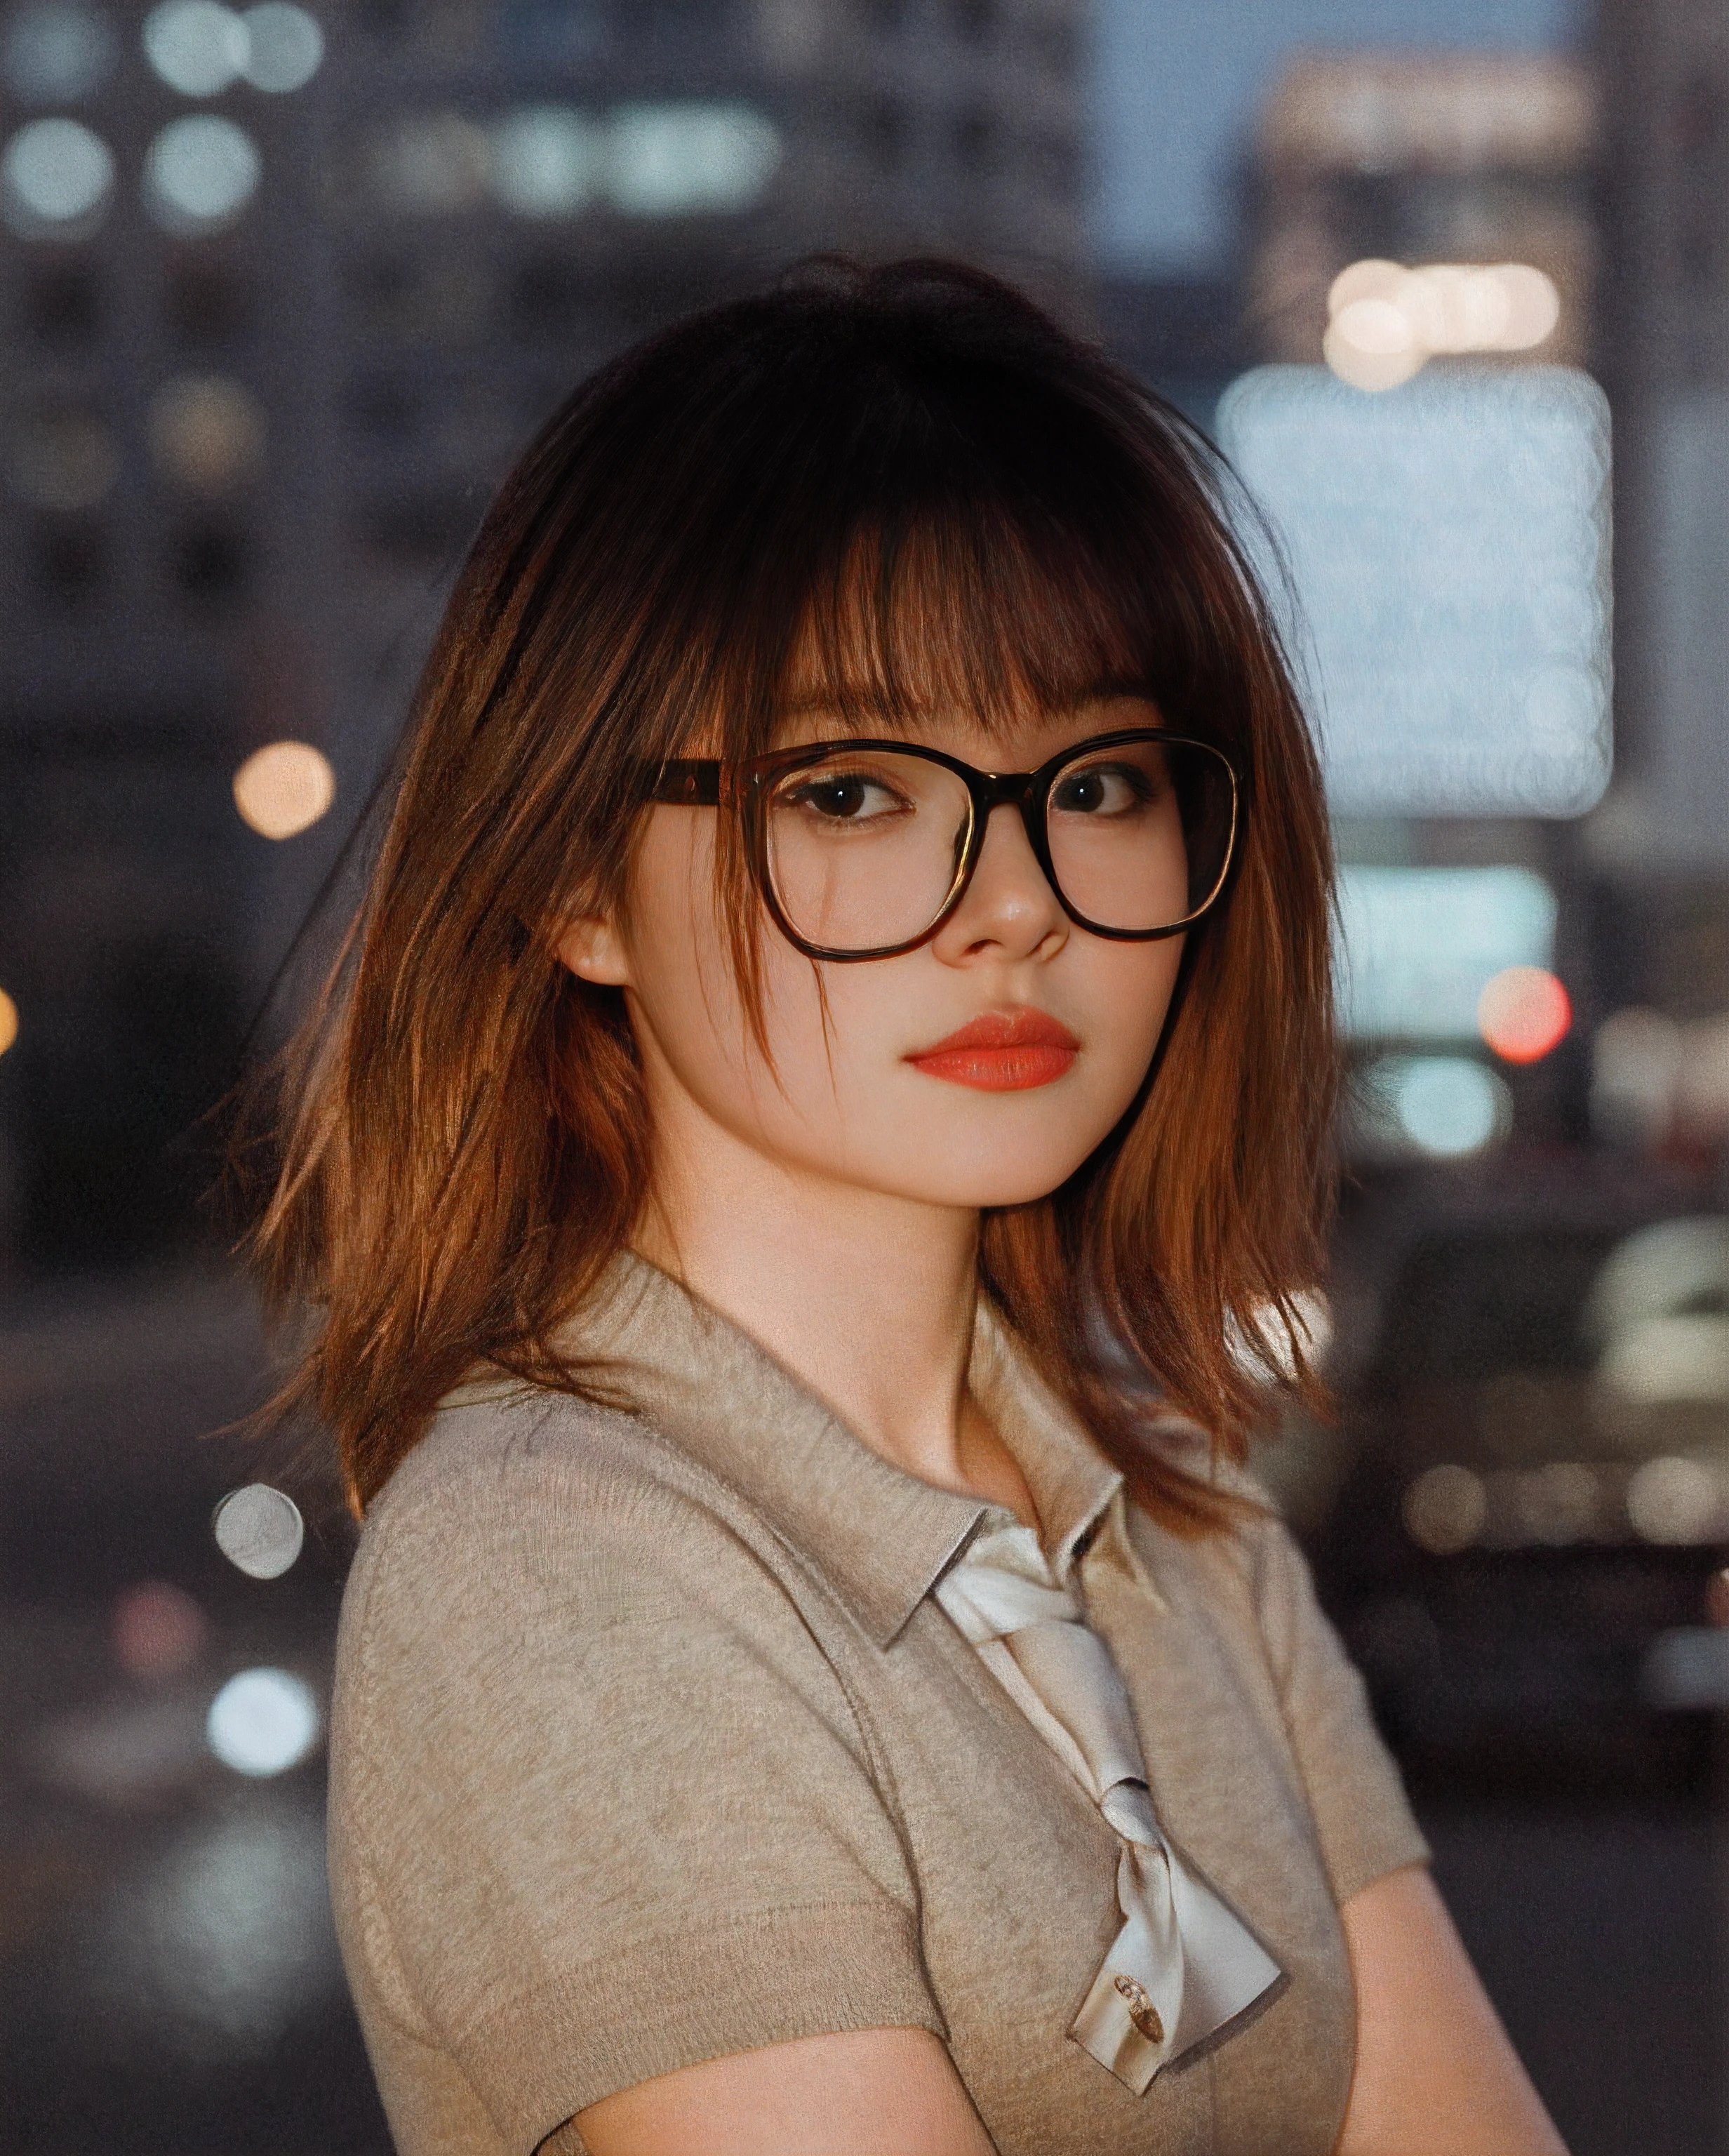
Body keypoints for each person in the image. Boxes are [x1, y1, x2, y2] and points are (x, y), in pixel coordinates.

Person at [253, 261, 1566, 2155]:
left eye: (1099, 777)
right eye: (856, 789)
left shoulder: (1177, 1510)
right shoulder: (567, 1563)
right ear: (576, 889)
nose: (1014, 899)